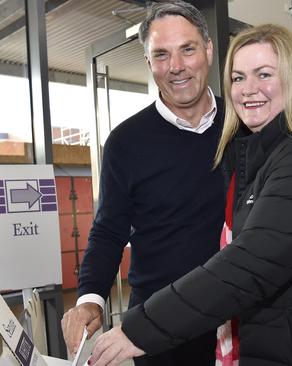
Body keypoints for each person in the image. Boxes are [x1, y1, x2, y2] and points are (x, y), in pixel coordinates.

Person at [88, 24, 292, 366]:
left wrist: (140, 328)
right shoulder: (260, 155)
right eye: (239, 78)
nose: (248, 89)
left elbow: (249, 264)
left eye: (264, 74)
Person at [61, 3, 224, 365]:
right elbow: (108, 230)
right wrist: (90, 299)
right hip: (158, 328)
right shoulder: (124, 143)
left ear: (208, 50)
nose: (176, 67)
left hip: (240, 317)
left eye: (188, 49)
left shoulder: (241, 128)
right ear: (149, 63)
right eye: (161, 55)